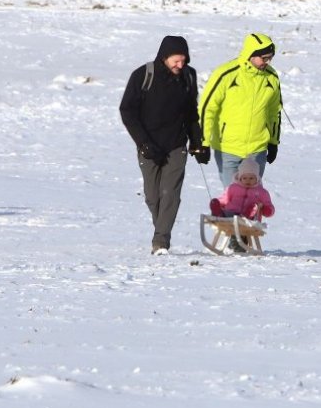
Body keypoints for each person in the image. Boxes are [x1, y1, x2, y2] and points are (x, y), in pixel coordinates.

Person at [120, 36, 207, 255]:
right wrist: (144, 143)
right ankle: (162, 228)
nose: (181, 65)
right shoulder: (143, 75)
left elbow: (191, 112)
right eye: (177, 61)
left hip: (177, 145)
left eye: (184, 60)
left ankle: (161, 241)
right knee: (152, 196)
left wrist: (197, 142)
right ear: (165, 56)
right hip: (149, 146)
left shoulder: (188, 76)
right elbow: (127, 111)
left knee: (170, 194)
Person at [199, 32, 282, 188]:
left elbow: (274, 111)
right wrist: (202, 142)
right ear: (251, 54)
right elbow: (207, 108)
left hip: (257, 150)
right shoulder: (226, 74)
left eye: (270, 58)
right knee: (233, 198)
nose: (267, 62)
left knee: (253, 198)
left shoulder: (271, 77)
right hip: (227, 148)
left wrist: (273, 142)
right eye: (264, 58)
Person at [209, 157, 275, 220]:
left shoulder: (262, 192)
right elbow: (225, 199)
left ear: (257, 178)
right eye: (244, 178)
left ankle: (245, 217)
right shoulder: (233, 188)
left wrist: (266, 209)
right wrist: (218, 203)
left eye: (251, 178)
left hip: (249, 218)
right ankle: (218, 214)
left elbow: (269, 206)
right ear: (240, 178)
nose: (248, 180)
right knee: (222, 208)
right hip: (230, 213)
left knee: (254, 207)